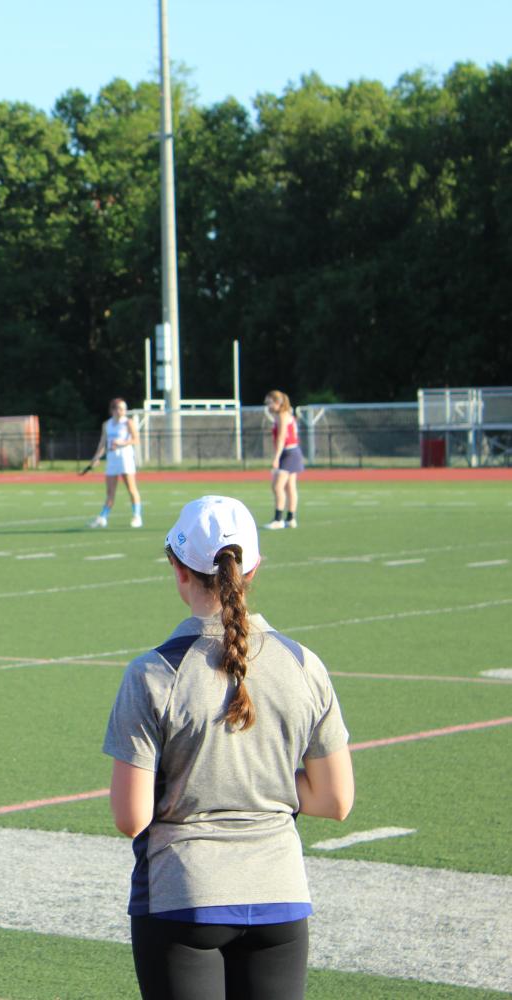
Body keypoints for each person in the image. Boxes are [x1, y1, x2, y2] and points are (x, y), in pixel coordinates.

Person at [104, 495, 354, 1000]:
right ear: (253, 567)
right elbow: (335, 800)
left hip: (184, 896)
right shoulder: (304, 664)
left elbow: (131, 816)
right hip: (281, 893)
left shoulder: (154, 673)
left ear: (178, 569)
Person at [88, 397, 144, 529]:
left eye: (124, 409)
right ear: (113, 410)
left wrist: (121, 443)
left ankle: (137, 516)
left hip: (125, 459)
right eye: (120, 408)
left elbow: (136, 440)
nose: (123, 411)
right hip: (112, 460)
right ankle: (103, 518)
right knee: (110, 492)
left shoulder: (128, 423)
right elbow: (103, 443)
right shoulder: (107, 424)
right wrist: (96, 458)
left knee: (131, 488)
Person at [265, 390, 304, 530]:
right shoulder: (284, 414)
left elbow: (281, 438)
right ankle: (291, 518)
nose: (268, 406)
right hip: (292, 451)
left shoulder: (282, 415)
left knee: (277, 486)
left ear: (277, 402)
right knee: (289, 487)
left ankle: (278, 519)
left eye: (269, 402)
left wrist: (276, 458)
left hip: (288, 453)